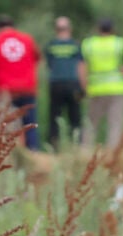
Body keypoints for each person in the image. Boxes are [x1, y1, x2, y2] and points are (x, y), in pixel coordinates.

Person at [0, 16, 41, 150]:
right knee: (30, 124)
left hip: (4, 90)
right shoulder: (27, 39)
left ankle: (7, 153)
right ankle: (33, 151)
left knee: (3, 124)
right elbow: (37, 58)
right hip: (27, 88)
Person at [80, 18, 123, 149]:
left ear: (98, 29)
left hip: (96, 88)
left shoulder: (88, 44)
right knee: (115, 124)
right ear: (113, 29)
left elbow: (82, 66)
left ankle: (85, 151)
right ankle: (112, 153)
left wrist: (84, 85)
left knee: (91, 124)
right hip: (116, 88)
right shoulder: (119, 43)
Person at [42, 17, 83, 149]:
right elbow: (81, 66)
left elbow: (48, 66)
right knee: (75, 117)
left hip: (56, 84)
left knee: (54, 117)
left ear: (56, 30)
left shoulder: (51, 45)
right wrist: (83, 86)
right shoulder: (75, 45)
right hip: (73, 84)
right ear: (70, 29)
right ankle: (76, 146)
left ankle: (53, 147)